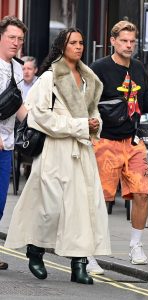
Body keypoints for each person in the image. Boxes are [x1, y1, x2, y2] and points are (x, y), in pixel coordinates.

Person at [5, 28, 111, 284]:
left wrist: (95, 123)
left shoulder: (88, 79)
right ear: (61, 46)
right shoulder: (49, 78)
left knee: (82, 210)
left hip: (81, 152)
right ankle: (36, 250)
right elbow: (38, 115)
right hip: (55, 150)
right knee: (48, 209)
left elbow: (93, 112)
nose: (78, 47)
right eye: (73, 43)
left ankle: (79, 265)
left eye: (81, 43)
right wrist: (78, 126)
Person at [89, 20, 148, 267]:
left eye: (132, 41)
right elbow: (86, 102)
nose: (129, 45)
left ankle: (135, 246)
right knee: (101, 199)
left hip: (134, 140)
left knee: (142, 193)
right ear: (113, 41)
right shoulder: (99, 68)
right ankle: (89, 252)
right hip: (105, 141)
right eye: (124, 41)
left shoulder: (138, 68)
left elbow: (141, 103)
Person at [0, 15, 28, 270]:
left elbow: (17, 104)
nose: (16, 42)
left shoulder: (17, 68)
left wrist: (36, 125)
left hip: (6, 144)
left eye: (20, 39)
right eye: (11, 37)